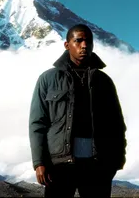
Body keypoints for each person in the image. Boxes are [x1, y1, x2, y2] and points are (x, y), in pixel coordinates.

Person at [29, 24, 127, 198]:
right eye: (78, 40)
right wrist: (39, 162)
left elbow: (117, 124)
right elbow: (38, 123)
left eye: (88, 41)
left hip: (98, 164)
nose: (84, 45)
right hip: (59, 164)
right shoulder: (48, 79)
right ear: (67, 45)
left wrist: (117, 161)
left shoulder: (104, 81)